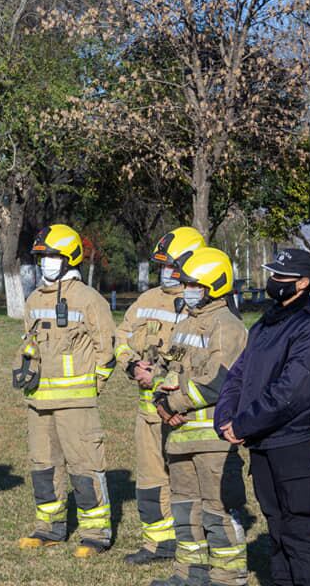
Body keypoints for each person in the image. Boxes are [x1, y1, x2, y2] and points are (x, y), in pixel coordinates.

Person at [214, 248, 310, 586]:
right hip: (263, 441)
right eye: (273, 274)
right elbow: (239, 374)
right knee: (276, 527)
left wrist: (244, 423)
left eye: (282, 277)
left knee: (299, 530)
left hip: (293, 444)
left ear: (303, 283)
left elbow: (291, 392)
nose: (273, 282)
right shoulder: (267, 320)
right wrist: (226, 418)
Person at [15, 224, 116, 559]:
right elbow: (27, 344)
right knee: (43, 465)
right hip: (38, 402)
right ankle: (49, 527)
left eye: (53, 256)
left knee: (84, 466)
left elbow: (107, 350)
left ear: (70, 257)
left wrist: (92, 386)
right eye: (42, 256)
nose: (46, 262)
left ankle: (96, 532)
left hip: (77, 403)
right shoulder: (32, 300)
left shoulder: (89, 300)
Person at [150, 247, 248, 586]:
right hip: (179, 437)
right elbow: (167, 369)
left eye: (193, 284)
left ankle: (227, 576)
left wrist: (172, 403)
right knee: (184, 508)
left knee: (217, 509)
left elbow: (219, 382)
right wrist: (159, 400)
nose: (186, 289)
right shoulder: (186, 323)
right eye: (186, 283)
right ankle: (188, 573)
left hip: (212, 440)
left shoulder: (227, 326)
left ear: (214, 285)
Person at [115, 227, 205, 565]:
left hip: (184, 414)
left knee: (188, 484)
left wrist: (165, 378)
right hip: (148, 414)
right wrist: (131, 365)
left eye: (172, 265)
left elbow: (206, 363)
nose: (166, 272)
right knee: (151, 481)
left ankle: (193, 544)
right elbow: (121, 335)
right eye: (162, 265)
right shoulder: (147, 300)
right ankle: (158, 544)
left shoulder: (204, 307)